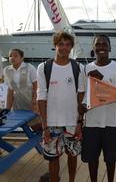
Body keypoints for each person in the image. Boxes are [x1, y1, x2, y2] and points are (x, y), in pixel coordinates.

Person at [37, 31, 85, 182]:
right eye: (61, 44)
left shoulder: (78, 67)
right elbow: (41, 98)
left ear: (71, 47)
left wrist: (80, 122)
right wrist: (44, 126)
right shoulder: (43, 67)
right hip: (51, 123)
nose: (64, 48)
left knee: (72, 155)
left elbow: (81, 97)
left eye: (67, 44)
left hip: (72, 121)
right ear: (55, 45)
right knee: (53, 158)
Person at [80, 35, 116, 182]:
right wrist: (82, 109)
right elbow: (84, 95)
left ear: (110, 48)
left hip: (111, 122)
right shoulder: (86, 68)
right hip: (91, 123)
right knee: (92, 159)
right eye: (98, 44)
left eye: (105, 44)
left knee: (110, 160)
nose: (101, 47)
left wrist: (101, 79)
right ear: (93, 48)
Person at [3, 48, 41, 131]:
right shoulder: (6, 70)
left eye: (15, 55)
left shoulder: (29, 67)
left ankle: (45, 141)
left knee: (37, 124)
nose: (12, 58)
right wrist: (8, 109)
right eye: (10, 56)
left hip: (31, 99)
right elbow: (10, 90)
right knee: (24, 124)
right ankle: (37, 142)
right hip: (18, 102)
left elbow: (36, 85)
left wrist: (35, 101)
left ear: (22, 58)